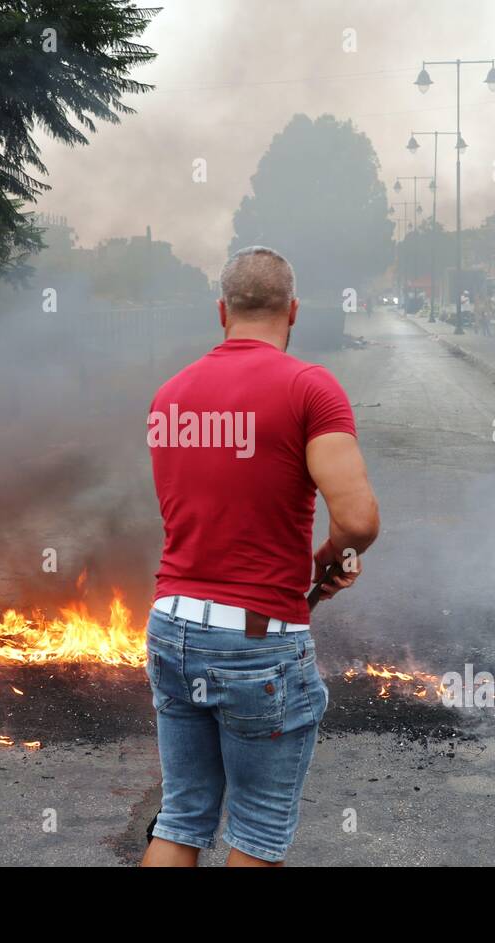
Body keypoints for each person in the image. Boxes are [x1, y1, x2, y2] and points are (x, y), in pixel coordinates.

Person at [143, 246, 381, 866]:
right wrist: (330, 559)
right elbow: (357, 521)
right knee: (257, 831)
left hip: (172, 627)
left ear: (221, 311)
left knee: (181, 817)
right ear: (293, 312)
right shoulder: (309, 388)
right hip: (256, 642)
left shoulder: (168, 395)